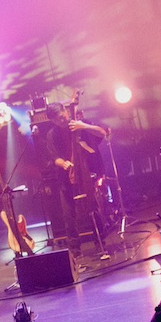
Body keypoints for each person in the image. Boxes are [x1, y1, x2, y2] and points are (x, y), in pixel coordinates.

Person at [41, 101, 110, 249]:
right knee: (68, 214)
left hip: (88, 173)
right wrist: (63, 163)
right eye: (55, 120)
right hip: (67, 177)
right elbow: (54, 157)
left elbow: (102, 133)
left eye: (61, 116)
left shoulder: (81, 124)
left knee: (94, 207)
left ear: (66, 111)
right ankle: (75, 248)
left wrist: (83, 126)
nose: (60, 121)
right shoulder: (52, 134)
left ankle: (100, 241)